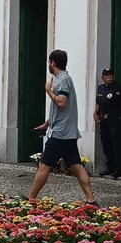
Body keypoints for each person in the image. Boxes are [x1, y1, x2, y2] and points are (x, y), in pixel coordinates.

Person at [28, 49, 98, 205]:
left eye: (49, 62)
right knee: (76, 166)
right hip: (67, 132)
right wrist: (47, 124)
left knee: (44, 165)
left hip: (60, 133)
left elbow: (61, 102)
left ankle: (31, 199)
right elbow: (61, 110)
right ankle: (91, 200)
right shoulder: (62, 79)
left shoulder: (63, 80)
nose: (48, 64)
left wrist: (48, 90)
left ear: (53, 62)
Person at [93, 67, 121, 178]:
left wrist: (118, 111)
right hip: (103, 119)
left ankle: (118, 169)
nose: (109, 77)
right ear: (102, 78)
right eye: (107, 75)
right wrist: (95, 113)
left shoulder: (120, 89)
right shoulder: (101, 89)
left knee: (116, 144)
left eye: (111, 75)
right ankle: (109, 167)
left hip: (115, 119)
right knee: (106, 144)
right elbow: (99, 102)